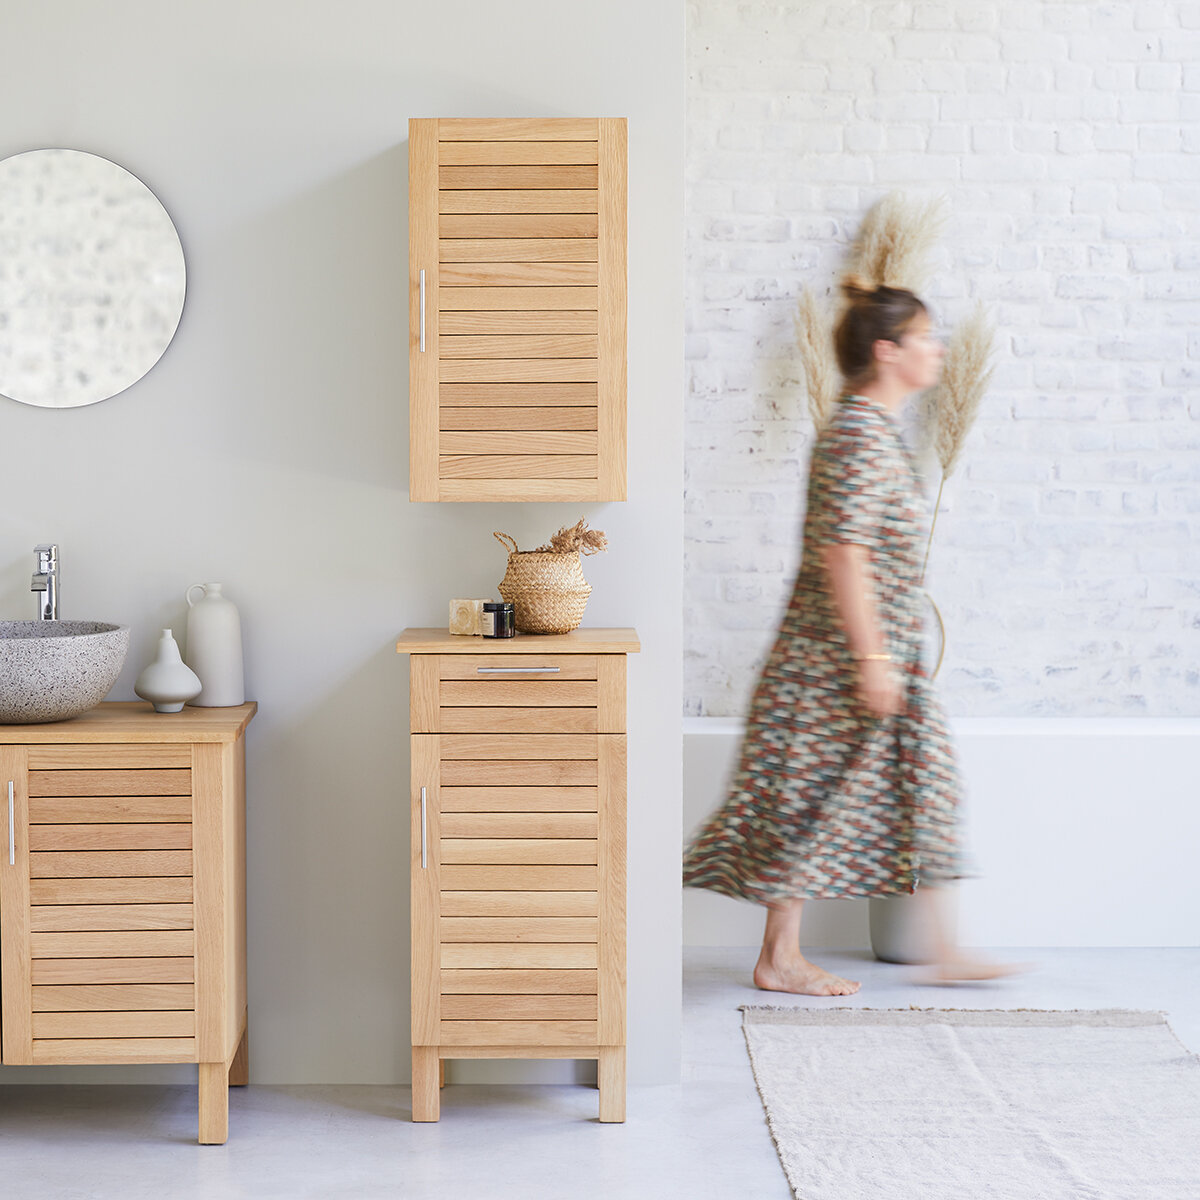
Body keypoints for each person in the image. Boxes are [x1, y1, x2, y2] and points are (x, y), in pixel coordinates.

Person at [683, 277, 1022, 995]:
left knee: (923, 787)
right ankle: (782, 957)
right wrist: (871, 660)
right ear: (887, 350)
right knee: (803, 799)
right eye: (926, 338)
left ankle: (942, 948)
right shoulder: (857, 435)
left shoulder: (874, 432)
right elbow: (843, 553)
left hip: (878, 660)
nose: (938, 350)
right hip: (834, 665)